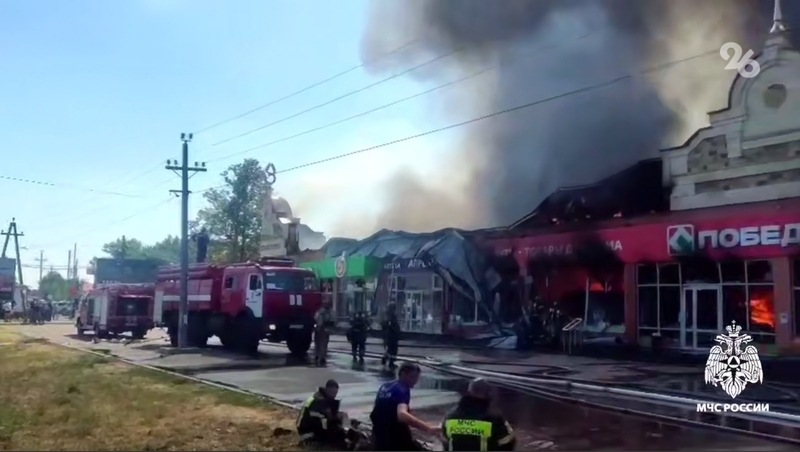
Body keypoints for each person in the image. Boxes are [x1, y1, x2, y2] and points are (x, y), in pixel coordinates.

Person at [370, 362, 438, 451]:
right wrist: (428, 428)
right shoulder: (402, 389)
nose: (415, 381)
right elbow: (402, 415)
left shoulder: (385, 386)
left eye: (417, 378)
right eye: (413, 377)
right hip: (394, 435)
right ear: (403, 374)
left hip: (379, 433)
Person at [441, 378, 516, 451]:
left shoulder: (450, 416)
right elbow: (507, 442)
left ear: (469, 391)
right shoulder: (494, 419)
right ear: (488, 394)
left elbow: (445, 442)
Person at [296, 379, 349, 449]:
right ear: (327, 389)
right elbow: (327, 424)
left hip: (302, 427)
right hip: (308, 432)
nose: (334, 395)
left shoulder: (317, 396)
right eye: (333, 392)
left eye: (336, 393)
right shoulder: (321, 402)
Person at [314, 299, 335, 366]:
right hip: (325, 329)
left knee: (318, 344)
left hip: (320, 329)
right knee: (324, 345)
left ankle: (318, 356)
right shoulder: (330, 312)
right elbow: (333, 320)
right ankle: (322, 358)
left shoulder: (319, 312)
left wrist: (318, 327)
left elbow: (316, 319)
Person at [381, 303, 401, 367]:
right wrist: (395, 330)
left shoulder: (388, 315)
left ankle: (387, 360)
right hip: (391, 336)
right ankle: (389, 362)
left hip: (389, 336)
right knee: (392, 349)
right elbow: (391, 325)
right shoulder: (391, 315)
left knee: (389, 349)